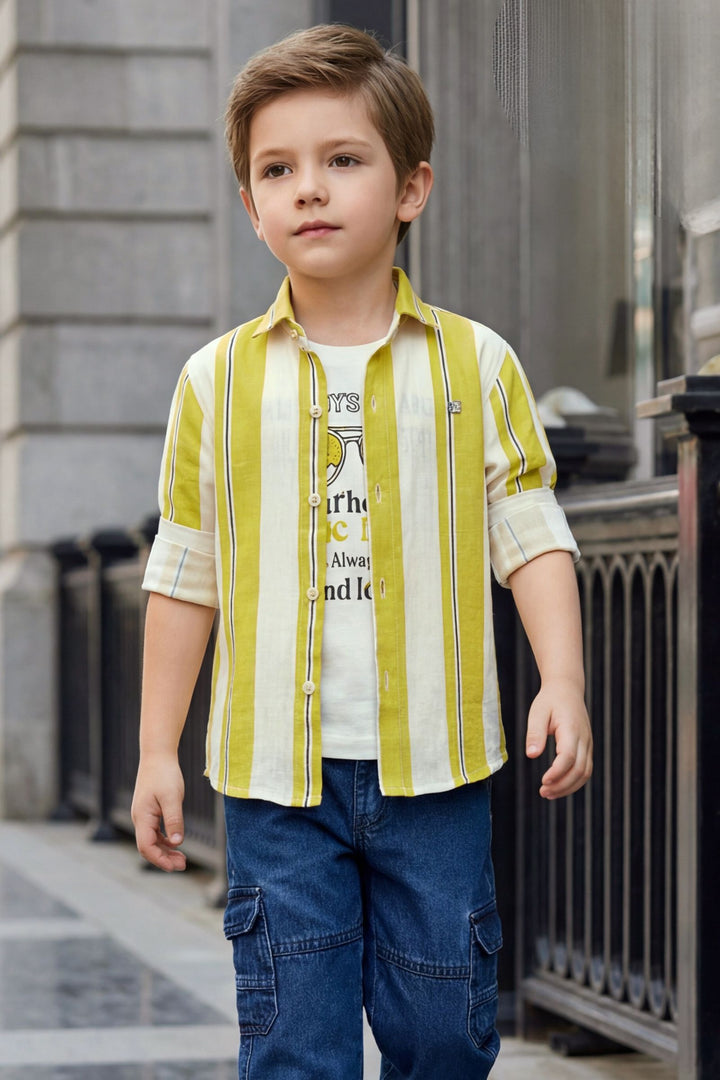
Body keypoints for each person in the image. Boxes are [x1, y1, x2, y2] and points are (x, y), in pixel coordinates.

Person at [131, 23, 592, 1079]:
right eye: (277, 170)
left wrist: (562, 679)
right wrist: (158, 748)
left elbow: (529, 530)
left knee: (443, 1035)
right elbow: (186, 570)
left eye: (343, 159)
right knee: (296, 1043)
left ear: (411, 187)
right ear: (250, 205)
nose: (309, 188)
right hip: (274, 786)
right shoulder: (215, 383)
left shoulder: (476, 365)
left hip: (439, 772)